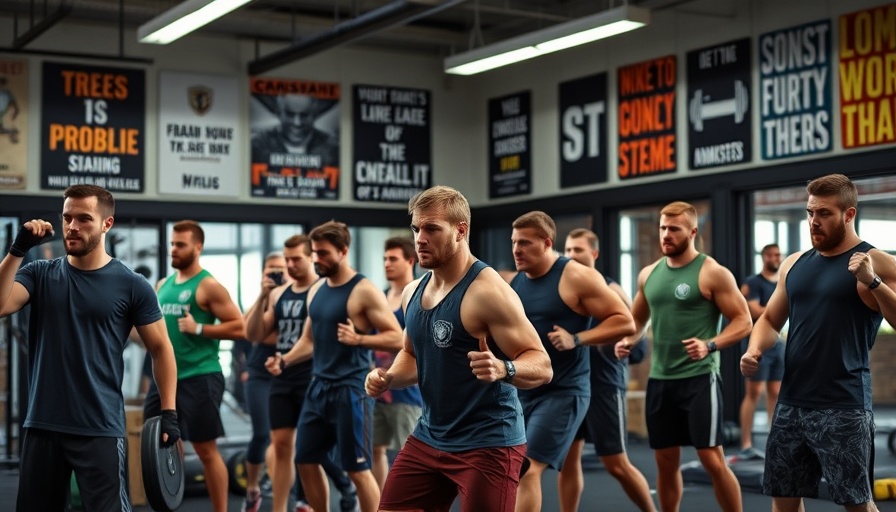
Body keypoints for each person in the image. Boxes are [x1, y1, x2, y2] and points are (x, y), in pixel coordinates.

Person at [365, 185, 553, 512]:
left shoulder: (487, 292)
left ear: (460, 231)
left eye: (431, 229)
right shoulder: (413, 291)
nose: (420, 238)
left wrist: (504, 369)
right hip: (430, 435)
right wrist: (389, 378)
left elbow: (542, 364)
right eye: (416, 228)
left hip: (488, 443)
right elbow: (411, 354)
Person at [0, 184, 179, 511]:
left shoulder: (132, 284)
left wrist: (169, 412)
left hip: (99, 427)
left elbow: (161, 349)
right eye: (67, 217)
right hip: (42, 423)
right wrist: (17, 250)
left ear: (106, 224)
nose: (72, 226)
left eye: (84, 219)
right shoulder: (39, 273)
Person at [741, 174, 896, 512]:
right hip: (791, 403)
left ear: (849, 214)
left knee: (857, 503)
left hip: (843, 406)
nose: (814, 221)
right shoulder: (794, 264)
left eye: (824, 213)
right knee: (784, 499)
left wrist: (873, 282)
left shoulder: (878, 262)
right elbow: (769, 320)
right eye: (810, 212)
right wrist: (755, 349)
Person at [615, 200, 752, 512]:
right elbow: (637, 321)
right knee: (665, 461)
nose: (665, 234)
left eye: (673, 229)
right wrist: (627, 340)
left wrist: (710, 345)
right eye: (663, 228)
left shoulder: (712, 272)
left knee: (711, 459)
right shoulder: (648, 274)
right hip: (661, 381)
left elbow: (744, 321)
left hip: (700, 379)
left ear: (692, 232)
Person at [266, 221, 403, 512]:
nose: (317, 259)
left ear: (343, 251)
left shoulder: (363, 290)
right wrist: (285, 359)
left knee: (357, 469)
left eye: (324, 253)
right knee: (304, 459)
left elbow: (397, 338)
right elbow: (309, 340)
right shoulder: (316, 290)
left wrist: (359, 339)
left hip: (351, 390)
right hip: (318, 388)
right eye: (314, 253)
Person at [508, 212, 636, 512]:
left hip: (564, 391)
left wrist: (577, 338)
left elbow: (625, 322)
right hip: (526, 390)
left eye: (525, 243)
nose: (516, 249)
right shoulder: (518, 282)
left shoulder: (576, 276)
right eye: (514, 242)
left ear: (547, 243)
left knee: (526, 468)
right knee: (520, 467)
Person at [246, 236, 358, 512]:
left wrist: (286, 358)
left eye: (296, 258)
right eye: (287, 259)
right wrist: (262, 295)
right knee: (281, 446)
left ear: (311, 257)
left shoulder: (323, 290)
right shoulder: (278, 294)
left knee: (311, 453)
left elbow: (319, 339)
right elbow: (253, 334)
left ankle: (335, 495)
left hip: (313, 376)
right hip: (281, 378)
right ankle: (280, 508)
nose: (290, 265)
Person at [143, 220, 247, 512]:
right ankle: (172, 503)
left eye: (181, 245)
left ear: (197, 248)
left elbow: (240, 328)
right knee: (163, 444)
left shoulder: (208, 285)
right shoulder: (163, 285)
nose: (174, 249)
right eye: (172, 244)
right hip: (166, 379)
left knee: (205, 450)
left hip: (200, 376)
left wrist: (199, 328)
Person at [559, 228, 656, 512]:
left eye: (578, 250)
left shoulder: (610, 288)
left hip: (604, 384)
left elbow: (636, 324)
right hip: (573, 384)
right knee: (568, 460)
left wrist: (627, 341)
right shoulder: (566, 290)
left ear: (594, 254)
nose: (571, 256)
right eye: (567, 250)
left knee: (615, 462)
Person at [372, 236, 423, 489]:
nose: (387, 264)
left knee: (411, 456)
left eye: (393, 259)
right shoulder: (380, 298)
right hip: (380, 389)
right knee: (374, 450)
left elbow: (412, 344)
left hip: (407, 391)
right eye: (384, 259)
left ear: (410, 261)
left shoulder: (418, 296)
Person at [240, 251, 286, 512]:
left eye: (281, 269)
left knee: (288, 438)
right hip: (259, 373)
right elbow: (253, 333)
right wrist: (263, 294)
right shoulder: (262, 300)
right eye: (271, 270)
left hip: (287, 371)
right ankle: (252, 488)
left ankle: (294, 494)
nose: (276, 274)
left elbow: (276, 335)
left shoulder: (293, 297)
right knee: (261, 434)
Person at [733, 243, 783, 463]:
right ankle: (745, 444)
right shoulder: (752, 282)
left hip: (778, 345)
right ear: (764, 257)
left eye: (778, 255)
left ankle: (775, 443)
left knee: (776, 393)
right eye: (771, 255)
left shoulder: (783, 282)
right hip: (757, 345)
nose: (775, 258)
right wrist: (780, 309)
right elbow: (754, 310)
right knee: (753, 394)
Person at [251, 93, 338, 168]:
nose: (297, 123)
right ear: (278, 114)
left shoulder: (333, 148)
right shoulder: (257, 145)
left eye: (304, 115)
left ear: (315, 115)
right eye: (290, 114)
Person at [0, 76, 20, 143]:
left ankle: (9, 132)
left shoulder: (7, 93)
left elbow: (14, 103)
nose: (1, 85)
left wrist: (16, 110)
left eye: (2, 83)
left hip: (3, 112)